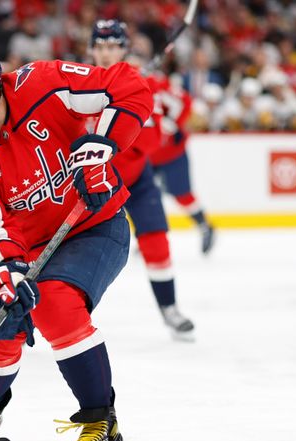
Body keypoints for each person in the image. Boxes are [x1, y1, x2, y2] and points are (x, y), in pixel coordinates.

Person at [0, 42, 153, 441]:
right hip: (30, 249)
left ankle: (101, 424)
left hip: (95, 227)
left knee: (53, 301)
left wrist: (101, 146)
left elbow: (128, 87)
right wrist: (7, 269)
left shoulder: (43, 84)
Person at [88, 20, 195, 340]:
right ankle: (43, 316)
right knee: (77, 254)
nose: (106, 53)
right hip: (93, 183)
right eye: (101, 46)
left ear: (124, 49)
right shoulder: (76, 81)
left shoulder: (139, 84)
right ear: (92, 49)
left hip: (135, 179)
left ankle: (170, 310)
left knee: (156, 241)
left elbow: (150, 141)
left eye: (113, 47)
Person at [150, 73, 216, 255]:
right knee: (147, 197)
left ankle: (204, 225)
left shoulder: (156, 84)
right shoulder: (118, 85)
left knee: (182, 195)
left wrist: (172, 123)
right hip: (147, 155)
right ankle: (150, 237)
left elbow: (185, 101)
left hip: (172, 154)